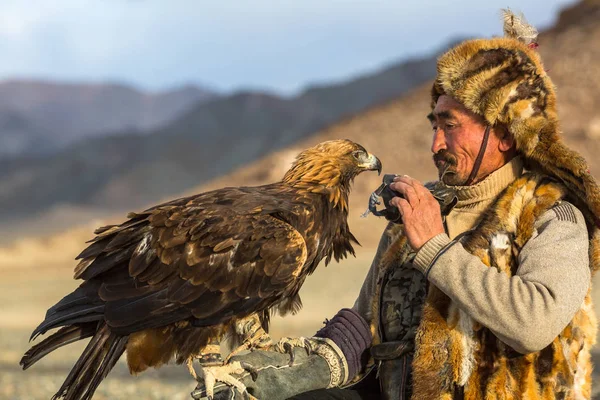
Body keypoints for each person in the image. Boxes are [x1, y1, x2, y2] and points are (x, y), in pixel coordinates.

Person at [193, 10, 600, 400]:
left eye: (451, 126)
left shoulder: (551, 216)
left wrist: (435, 249)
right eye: (434, 125)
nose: (436, 145)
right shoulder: (419, 207)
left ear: (506, 134)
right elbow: (365, 327)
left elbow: (533, 324)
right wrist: (290, 374)